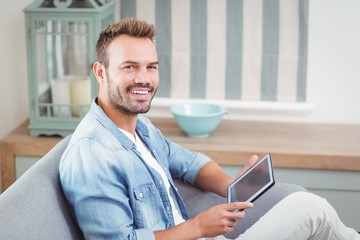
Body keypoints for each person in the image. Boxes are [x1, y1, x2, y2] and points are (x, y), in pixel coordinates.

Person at [59, 18, 359, 240]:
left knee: (307, 208)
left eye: (151, 66)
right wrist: (199, 226)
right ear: (101, 72)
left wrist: (234, 188)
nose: (144, 79)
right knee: (312, 210)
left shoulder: (142, 129)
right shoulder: (91, 154)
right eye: (129, 67)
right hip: (199, 235)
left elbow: (190, 164)